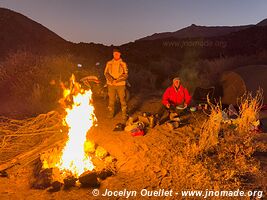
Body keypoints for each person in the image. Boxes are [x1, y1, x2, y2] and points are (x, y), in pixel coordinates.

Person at [104, 48, 128, 122]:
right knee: (111, 100)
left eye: (117, 53)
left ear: (120, 54)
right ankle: (111, 114)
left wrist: (116, 80)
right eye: (115, 53)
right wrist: (111, 80)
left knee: (122, 100)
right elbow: (106, 73)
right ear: (113, 54)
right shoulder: (109, 63)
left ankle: (124, 115)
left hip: (121, 85)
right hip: (111, 85)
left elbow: (125, 74)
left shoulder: (123, 63)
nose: (116, 55)